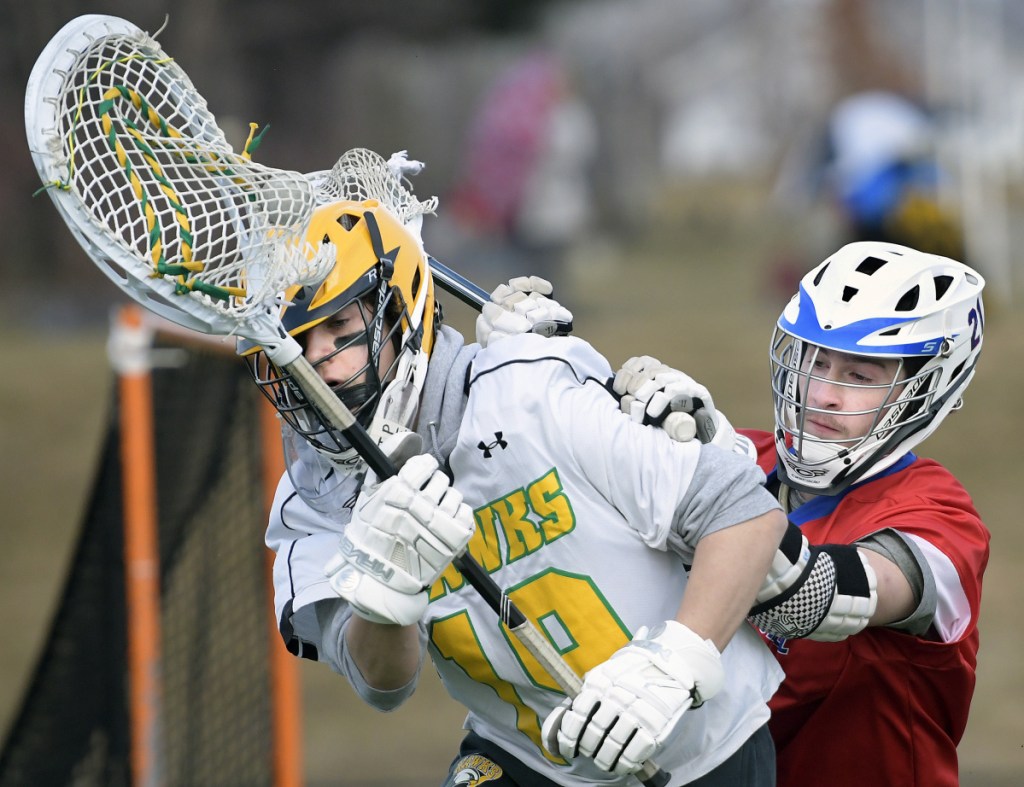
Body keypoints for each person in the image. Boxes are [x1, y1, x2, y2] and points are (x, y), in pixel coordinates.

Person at [248, 197, 789, 785]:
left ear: (400, 309)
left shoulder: (526, 388)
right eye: (296, 345)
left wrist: (672, 665)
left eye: (339, 328)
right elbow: (382, 684)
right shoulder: (314, 498)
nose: (319, 364)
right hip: (528, 759)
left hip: (700, 748)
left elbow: (746, 514)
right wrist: (386, 592)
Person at [614, 240, 989, 787]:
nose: (824, 394)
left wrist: (709, 478)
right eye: (815, 363)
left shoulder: (940, 516)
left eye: (860, 376)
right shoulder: (748, 455)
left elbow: (819, 597)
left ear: (926, 389)